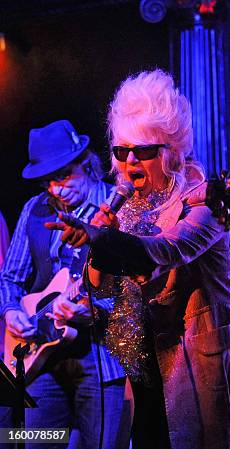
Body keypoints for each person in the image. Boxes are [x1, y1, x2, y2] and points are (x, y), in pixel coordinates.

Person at [47, 70, 230, 449]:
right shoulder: (124, 209)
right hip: (141, 369)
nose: (129, 162)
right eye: (121, 151)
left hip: (194, 361)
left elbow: (166, 251)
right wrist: (98, 244)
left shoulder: (203, 201)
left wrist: (103, 238)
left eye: (143, 150)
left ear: (171, 151)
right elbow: (99, 289)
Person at [0, 119, 128, 449]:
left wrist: (95, 309)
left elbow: (135, 289)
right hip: (42, 358)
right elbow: (11, 278)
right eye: (48, 181)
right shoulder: (35, 209)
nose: (56, 189)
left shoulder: (118, 209)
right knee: (39, 441)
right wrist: (12, 311)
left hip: (99, 357)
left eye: (64, 175)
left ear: (86, 163)